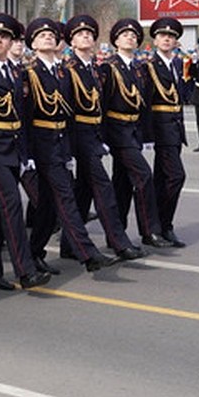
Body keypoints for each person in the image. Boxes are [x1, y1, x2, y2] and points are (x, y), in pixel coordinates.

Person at [21, 17, 118, 273]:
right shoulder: (28, 74)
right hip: (40, 145)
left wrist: (70, 150)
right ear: (32, 43)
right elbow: (25, 118)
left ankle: (33, 253)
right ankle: (87, 253)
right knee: (66, 197)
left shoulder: (62, 73)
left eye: (52, 35)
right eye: (42, 36)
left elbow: (70, 115)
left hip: (60, 143)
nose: (48, 39)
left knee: (49, 205)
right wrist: (27, 153)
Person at [0, 13, 52, 291]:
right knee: (12, 206)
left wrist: (25, 153)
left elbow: (24, 116)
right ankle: (25, 270)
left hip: (14, 149)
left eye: (5, 37)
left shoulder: (17, 72)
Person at [64, 15, 144, 262]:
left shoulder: (97, 70)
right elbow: (65, 109)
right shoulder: (69, 70)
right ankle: (119, 242)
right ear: (71, 42)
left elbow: (104, 105)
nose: (85, 36)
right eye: (79, 34)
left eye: (89, 33)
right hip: (79, 136)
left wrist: (104, 136)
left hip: (95, 134)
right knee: (104, 189)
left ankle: (69, 244)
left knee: (84, 190)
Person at [104, 18, 172, 248]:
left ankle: (117, 235)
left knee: (122, 184)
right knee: (143, 176)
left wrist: (147, 136)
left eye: (134, 36)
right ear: (115, 40)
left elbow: (144, 105)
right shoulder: (109, 66)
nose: (130, 38)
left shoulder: (138, 68)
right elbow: (102, 104)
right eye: (125, 35)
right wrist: (101, 137)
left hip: (133, 131)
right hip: (117, 131)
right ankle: (149, 231)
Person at [143, 17, 189, 247]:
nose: (167, 39)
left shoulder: (176, 65)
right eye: (163, 36)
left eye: (171, 37)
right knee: (176, 176)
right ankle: (162, 224)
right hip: (160, 128)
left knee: (163, 179)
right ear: (155, 39)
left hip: (175, 128)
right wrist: (147, 136)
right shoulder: (149, 66)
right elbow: (145, 102)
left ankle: (158, 228)